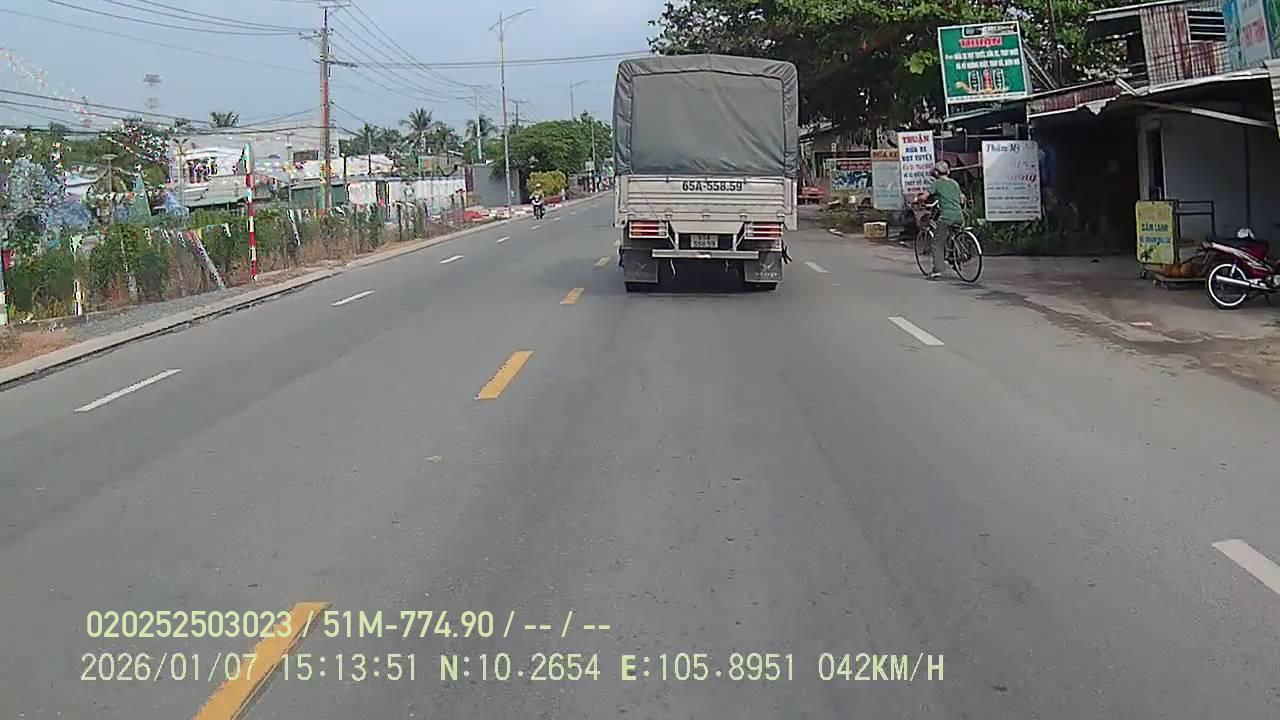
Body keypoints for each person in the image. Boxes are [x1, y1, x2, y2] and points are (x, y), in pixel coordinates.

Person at [915, 161, 966, 280]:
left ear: (936, 173)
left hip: (947, 216)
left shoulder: (937, 184)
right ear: (948, 171)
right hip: (959, 216)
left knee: (937, 243)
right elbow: (962, 198)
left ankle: (937, 271)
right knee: (952, 236)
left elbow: (925, 196)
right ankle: (955, 257)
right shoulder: (954, 183)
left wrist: (917, 200)